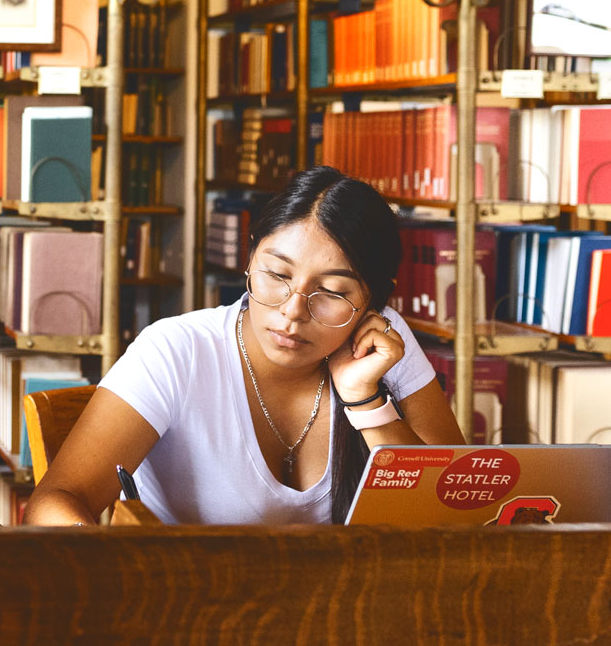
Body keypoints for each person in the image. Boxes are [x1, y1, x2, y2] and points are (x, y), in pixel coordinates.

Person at [24, 166, 462, 526]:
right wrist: (117, 570)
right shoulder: (178, 350)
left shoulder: (384, 344)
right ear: (250, 258)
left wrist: (367, 402)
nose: (293, 311)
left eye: (331, 292)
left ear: (374, 301)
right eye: (277, 275)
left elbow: (454, 514)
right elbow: (53, 502)